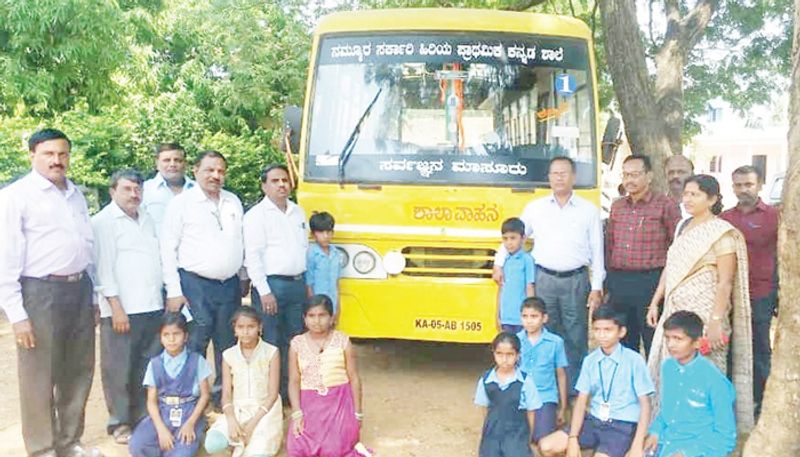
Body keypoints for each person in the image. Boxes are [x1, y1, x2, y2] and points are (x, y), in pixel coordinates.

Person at [0, 129, 100, 457]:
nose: (57, 160)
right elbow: (6, 257)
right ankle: (42, 448)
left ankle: (69, 442)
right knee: (38, 375)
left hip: (79, 289)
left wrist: (95, 296)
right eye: (49, 154)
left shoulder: (76, 194)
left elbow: (87, 246)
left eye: (62, 154)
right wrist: (17, 315)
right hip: (39, 293)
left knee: (78, 370)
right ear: (32, 155)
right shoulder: (16, 196)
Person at [646, 174, 754, 432]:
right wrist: (655, 302)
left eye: (695, 194)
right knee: (670, 367)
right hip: (675, 310)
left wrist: (716, 322)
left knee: (705, 371)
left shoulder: (722, 233)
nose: (688, 200)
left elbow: (725, 282)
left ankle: (706, 432)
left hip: (706, 315)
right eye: (686, 194)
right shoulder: (683, 227)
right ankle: (671, 426)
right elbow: (670, 267)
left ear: (712, 198)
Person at [493, 156, 604, 393]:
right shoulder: (536, 208)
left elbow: (597, 250)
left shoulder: (588, 210)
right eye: (554, 173)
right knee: (544, 335)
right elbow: (514, 236)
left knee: (575, 337)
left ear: (573, 176)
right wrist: (498, 262)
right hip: (544, 280)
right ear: (549, 178)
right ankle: (546, 390)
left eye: (564, 173)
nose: (559, 177)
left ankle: (575, 391)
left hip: (576, 280)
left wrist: (596, 286)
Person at [161, 150, 248, 405]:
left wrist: (243, 275)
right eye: (210, 170)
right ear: (196, 170)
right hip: (194, 285)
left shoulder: (233, 201)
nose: (215, 175)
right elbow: (168, 248)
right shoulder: (181, 203)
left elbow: (240, 242)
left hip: (229, 286)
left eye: (221, 171)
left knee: (228, 343)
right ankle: (192, 398)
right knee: (196, 342)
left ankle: (224, 397)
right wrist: (174, 290)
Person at [93, 169, 164, 445]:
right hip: (121, 310)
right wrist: (115, 305)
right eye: (127, 189)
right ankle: (120, 422)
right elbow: (102, 269)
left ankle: (142, 417)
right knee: (119, 369)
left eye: (137, 189)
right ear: (113, 191)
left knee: (145, 367)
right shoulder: (103, 222)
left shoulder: (147, 218)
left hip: (151, 305)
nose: (134, 194)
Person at [539, 307, 654, 457]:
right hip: (593, 421)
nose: (602, 335)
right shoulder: (590, 360)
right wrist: (573, 438)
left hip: (621, 426)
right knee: (546, 446)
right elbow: (581, 401)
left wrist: (637, 444)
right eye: (597, 330)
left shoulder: (634, 360)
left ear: (621, 332)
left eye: (608, 330)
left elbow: (646, 405)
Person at [244, 164, 308, 399]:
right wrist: (264, 291)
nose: (282, 185)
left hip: (297, 285)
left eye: (285, 180)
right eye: (275, 181)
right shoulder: (255, 216)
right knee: (271, 341)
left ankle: (291, 392)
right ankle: (271, 395)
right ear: (264, 186)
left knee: (295, 339)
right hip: (272, 287)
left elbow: (302, 249)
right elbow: (253, 256)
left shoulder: (298, 212)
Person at [605, 154, 681, 356]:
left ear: (649, 176)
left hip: (651, 282)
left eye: (635, 174)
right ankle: (628, 386)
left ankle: (653, 386)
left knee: (653, 340)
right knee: (623, 340)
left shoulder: (666, 205)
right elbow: (610, 245)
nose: (629, 180)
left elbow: (678, 247)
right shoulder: (617, 206)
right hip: (620, 282)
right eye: (626, 175)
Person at [720, 165, 779, 416]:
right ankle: (734, 401)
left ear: (760, 185)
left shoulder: (774, 216)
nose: (743, 190)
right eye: (738, 185)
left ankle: (761, 403)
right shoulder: (725, 219)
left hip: (760, 293)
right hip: (729, 294)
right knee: (730, 348)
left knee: (759, 349)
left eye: (749, 185)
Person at [286, 295, 370, 457]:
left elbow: (354, 378)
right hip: (309, 404)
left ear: (331, 317)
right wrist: (297, 413)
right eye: (311, 316)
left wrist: (357, 414)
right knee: (298, 446)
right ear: (304, 318)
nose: (316, 321)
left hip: (338, 403)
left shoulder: (343, 340)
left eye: (322, 315)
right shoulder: (297, 344)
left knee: (334, 449)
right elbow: (294, 381)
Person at [643, 311, 737, 457]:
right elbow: (667, 411)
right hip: (666, 443)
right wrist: (655, 432)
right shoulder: (668, 367)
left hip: (699, 448)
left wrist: (688, 453)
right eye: (667, 338)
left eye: (678, 339)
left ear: (697, 342)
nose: (670, 344)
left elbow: (726, 436)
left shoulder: (714, 379)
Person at [129, 312, 212, 457]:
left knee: (182, 452)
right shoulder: (154, 364)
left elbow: (204, 396)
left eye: (176, 334)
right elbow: (151, 402)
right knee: (137, 445)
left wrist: (191, 423)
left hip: (188, 413)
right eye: (166, 335)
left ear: (185, 336)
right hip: (163, 412)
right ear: (160, 338)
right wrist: (161, 429)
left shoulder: (196, 361)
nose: (171, 339)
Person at [204, 306, 283, 457]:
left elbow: (272, 395)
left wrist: (252, 424)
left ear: (260, 327)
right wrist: (231, 419)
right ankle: (233, 444)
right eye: (241, 327)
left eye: (251, 327)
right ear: (235, 329)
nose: (246, 332)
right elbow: (226, 395)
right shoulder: (228, 355)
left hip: (265, 411)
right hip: (238, 409)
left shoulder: (271, 352)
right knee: (213, 444)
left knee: (256, 453)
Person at [475, 331, 542, 457]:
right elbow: (484, 410)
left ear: (518, 355)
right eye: (499, 354)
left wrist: (527, 438)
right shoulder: (486, 381)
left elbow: (531, 412)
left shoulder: (525, 382)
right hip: (492, 436)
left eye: (510, 354)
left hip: (517, 434)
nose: (504, 359)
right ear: (493, 353)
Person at [516, 297, 568, 445]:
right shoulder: (515, 340)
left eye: (534, 316)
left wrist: (562, 407)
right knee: (517, 437)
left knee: (542, 439)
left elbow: (561, 375)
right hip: (520, 396)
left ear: (544, 318)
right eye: (525, 316)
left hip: (545, 397)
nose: (529, 321)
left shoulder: (556, 342)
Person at [142, 143, 195, 236]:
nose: (172, 164)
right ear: (157, 164)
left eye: (177, 160)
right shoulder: (144, 190)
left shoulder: (199, 191)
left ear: (185, 164)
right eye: (166, 160)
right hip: (155, 249)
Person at [496, 217, 535, 334]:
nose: (509, 242)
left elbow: (529, 287)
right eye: (505, 239)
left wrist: (530, 315)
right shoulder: (504, 260)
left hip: (521, 318)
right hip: (506, 317)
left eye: (513, 238)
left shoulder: (527, 260)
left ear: (523, 238)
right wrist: (497, 314)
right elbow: (500, 288)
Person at [305, 211, 344, 325]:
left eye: (329, 232)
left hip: (332, 301)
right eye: (321, 232)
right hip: (317, 301)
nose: (326, 236)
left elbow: (336, 282)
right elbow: (309, 283)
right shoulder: (311, 254)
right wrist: (312, 305)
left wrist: (338, 305)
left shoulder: (336, 253)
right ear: (313, 234)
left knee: (331, 329)